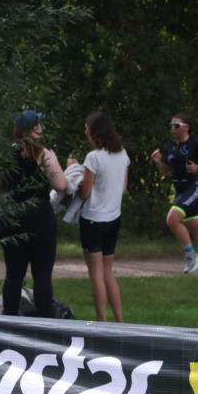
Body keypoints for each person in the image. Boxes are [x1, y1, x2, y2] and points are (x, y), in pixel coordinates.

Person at [0, 110, 67, 317]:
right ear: (34, 129)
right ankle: (45, 323)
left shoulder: (6, 155)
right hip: (39, 219)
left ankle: (9, 320)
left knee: (13, 275)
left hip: (13, 218)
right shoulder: (45, 155)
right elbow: (61, 184)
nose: (42, 128)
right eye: (39, 125)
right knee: (42, 275)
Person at [70, 111, 129, 323]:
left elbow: (85, 192)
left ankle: (102, 322)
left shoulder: (93, 158)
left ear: (95, 132)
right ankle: (120, 322)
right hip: (114, 219)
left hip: (93, 220)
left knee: (95, 273)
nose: (85, 133)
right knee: (108, 272)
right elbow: (123, 189)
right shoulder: (122, 154)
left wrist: (73, 171)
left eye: (87, 129)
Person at [150, 114, 198, 275]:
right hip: (180, 189)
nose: (173, 129)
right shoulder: (170, 146)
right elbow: (167, 172)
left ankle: (191, 255)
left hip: (193, 186)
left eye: (176, 126)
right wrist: (158, 162)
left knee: (172, 219)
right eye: (171, 125)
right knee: (194, 227)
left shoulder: (196, 143)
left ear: (187, 127)